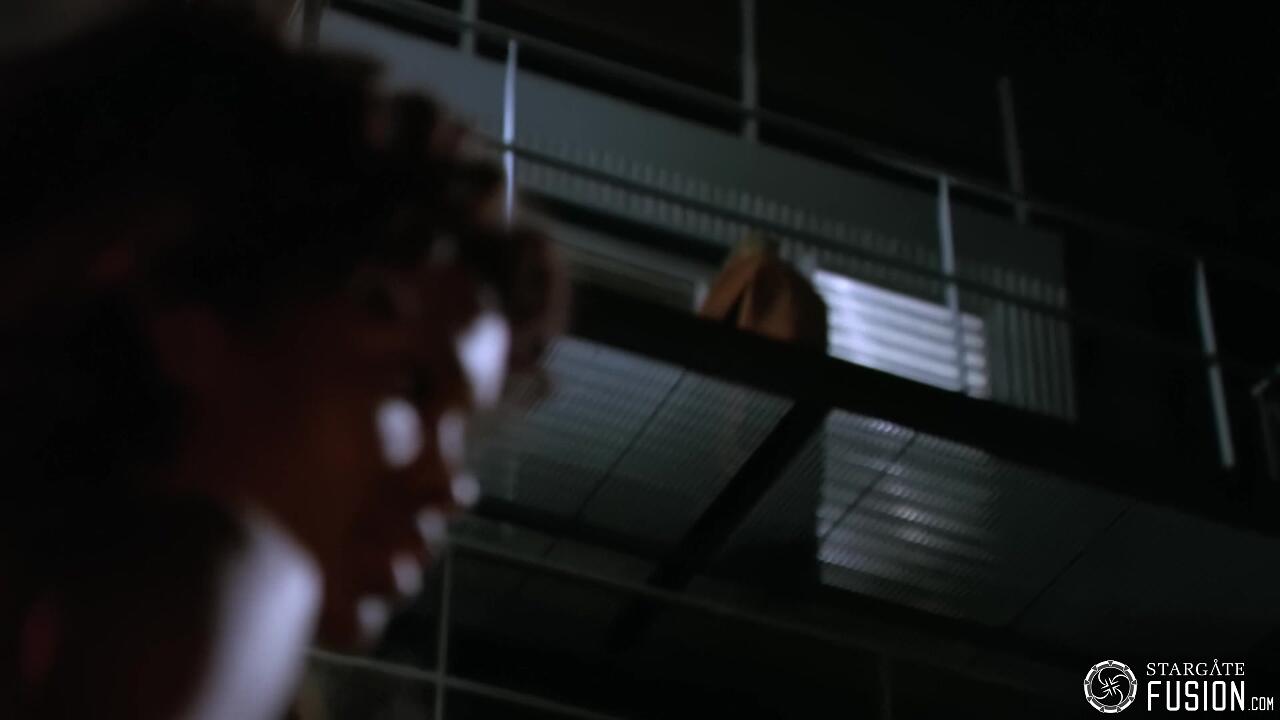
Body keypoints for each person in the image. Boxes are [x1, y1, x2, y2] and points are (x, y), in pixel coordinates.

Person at [0, 4, 563, 718]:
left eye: (461, 426)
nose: (452, 487)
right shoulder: (213, 590)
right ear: (190, 312)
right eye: (410, 385)